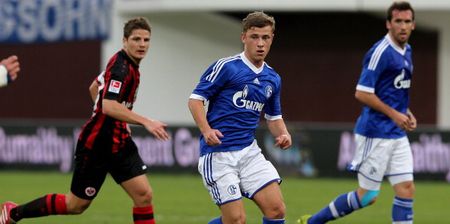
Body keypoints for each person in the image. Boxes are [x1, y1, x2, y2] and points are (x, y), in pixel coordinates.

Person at [0, 17, 169, 224]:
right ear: (125, 41)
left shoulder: (129, 65)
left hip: (119, 142)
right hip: (97, 145)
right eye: (136, 39)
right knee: (75, 205)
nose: (142, 44)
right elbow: (108, 105)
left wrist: (120, 122)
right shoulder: (121, 69)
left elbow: (94, 87)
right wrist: (146, 121)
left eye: (146, 40)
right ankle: (14, 213)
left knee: (144, 195)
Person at [298, 2, 416, 224]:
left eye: (407, 21)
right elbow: (362, 93)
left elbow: (394, 90)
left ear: (413, 25)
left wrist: (407, 113)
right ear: (388, 24)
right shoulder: (380, 52)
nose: (403, 26)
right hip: (375, 132)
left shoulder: (407, 51)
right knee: (368, 196)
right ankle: (312, 222)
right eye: (398, 21)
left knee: (406, 189)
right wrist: (395, 115)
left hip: (397, 133)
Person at [188, 11, 292, 224]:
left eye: (266, 37)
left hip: (248, 153)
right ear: (244, 37)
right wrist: (206, 130)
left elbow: (273, 117)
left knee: (276, 210)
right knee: (236, 220)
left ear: (272, 38)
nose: (260, 43)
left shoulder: (272, 78)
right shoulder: (226, 67)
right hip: (219, 155)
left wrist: (283, 134)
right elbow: (195, 100)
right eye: (255, 37)